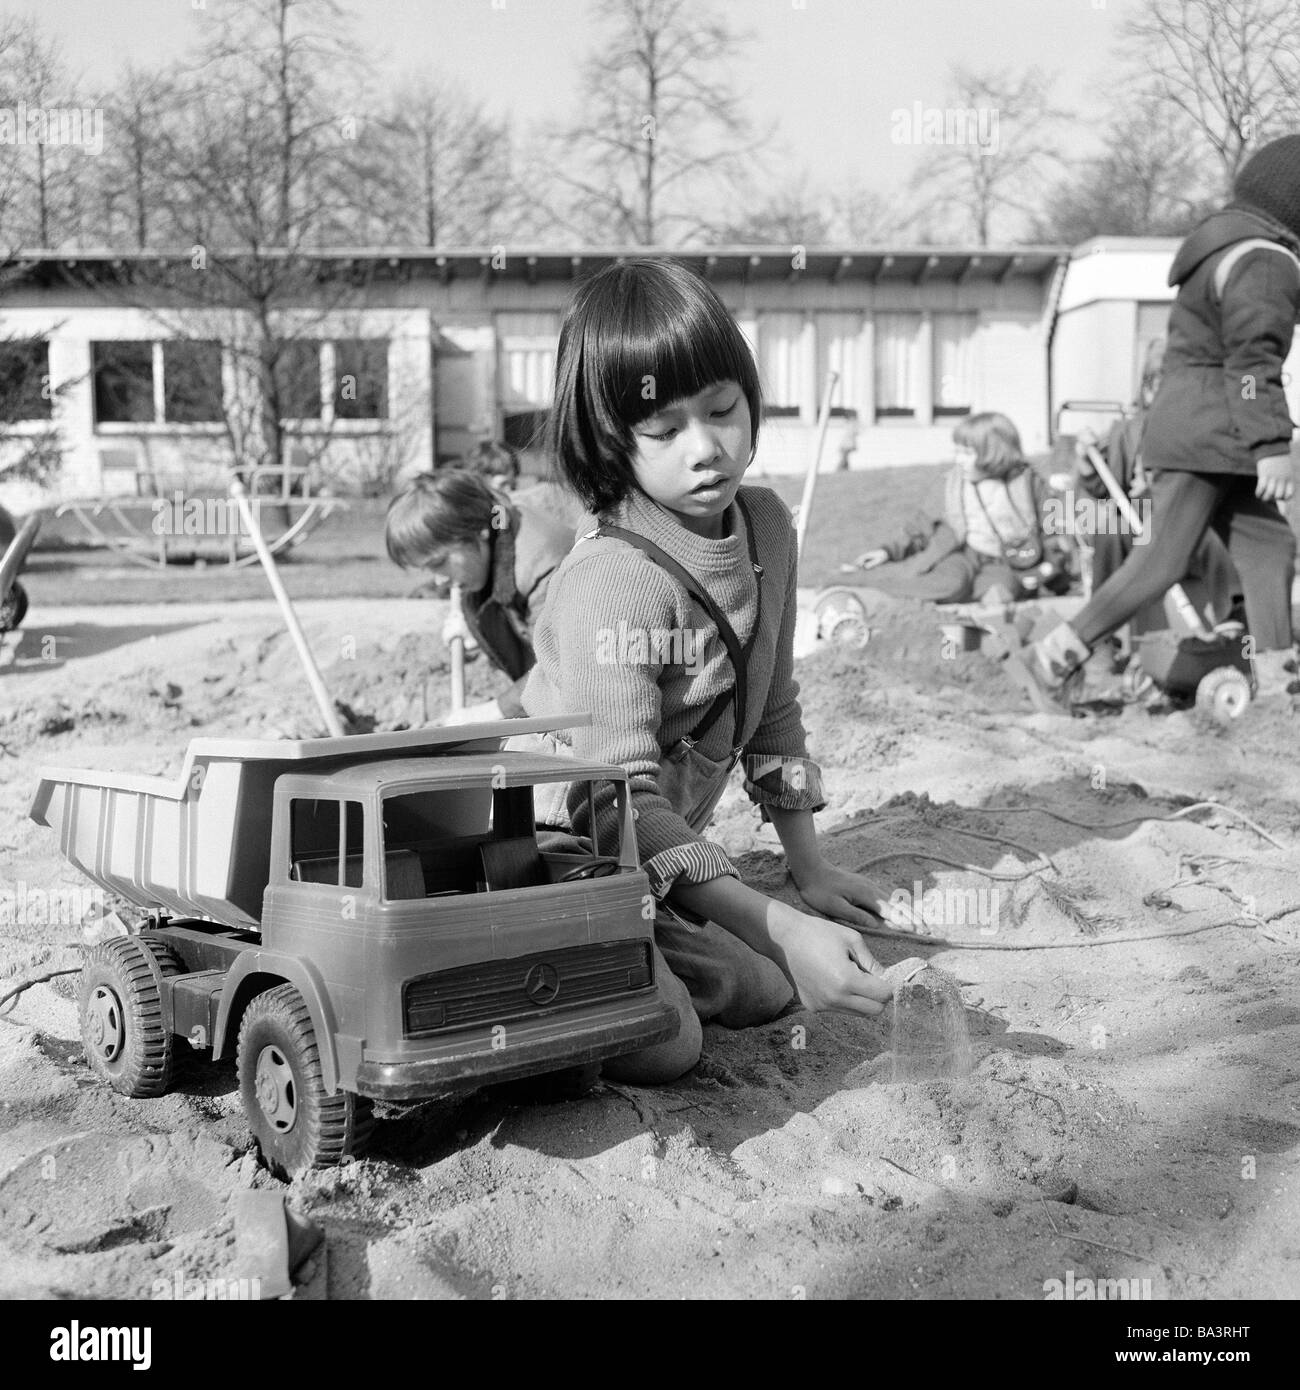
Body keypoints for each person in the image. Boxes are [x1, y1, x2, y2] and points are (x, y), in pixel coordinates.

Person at [520, 256, 896, 1085]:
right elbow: (612, 800)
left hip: (649, 859)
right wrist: (780, 925)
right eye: (663, 431)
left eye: (723, 409)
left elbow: (771, 709)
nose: (706, 448)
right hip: (562, 851)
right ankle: (541, 992)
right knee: (670, 1043)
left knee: (763, 992)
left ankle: (659, 940)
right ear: (610, 442)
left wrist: (809, 872)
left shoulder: (766, 525)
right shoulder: (611, 581)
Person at [1017, 134, 1300, 713]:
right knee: (1164, 558)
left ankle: (1276, 680)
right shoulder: (1266, 261)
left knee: (1270, 546)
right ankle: (1056, 654)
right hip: (1213, 434)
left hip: (1199, 427)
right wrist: (1273, 443)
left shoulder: (1224, 249)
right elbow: (1253, 360)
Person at [1076, 339, 1240, 666]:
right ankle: (1100, 638)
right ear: (1148, 391)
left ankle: (1231, 616)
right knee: (1108, 530)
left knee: (1212, 535)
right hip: (1142, 522)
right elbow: (1103, 487)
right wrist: (1086, 461)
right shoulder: (1126, 432)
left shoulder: (1206, 431)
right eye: (1158, 385)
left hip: (1189, 523)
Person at [385, 468, 574, 721]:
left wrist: (492, 712)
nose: (439, 581)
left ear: (477, 532)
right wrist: (475, 624)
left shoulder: (542, 567)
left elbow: (562, 670)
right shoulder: (495, 527)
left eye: (439, 563)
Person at [847, 411, 1068, 606]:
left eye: (967, 453)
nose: (958, 460)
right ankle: (865, 586)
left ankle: (969, 598)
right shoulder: (952, 484)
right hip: (961, 555)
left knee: (1003, 590)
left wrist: (1056, 571)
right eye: (957, 452)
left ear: (994, 453)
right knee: (950, 584)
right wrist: (888, 551)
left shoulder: (1030, 483)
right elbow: (920, 527)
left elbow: (1053, 530)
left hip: (1007, 561)